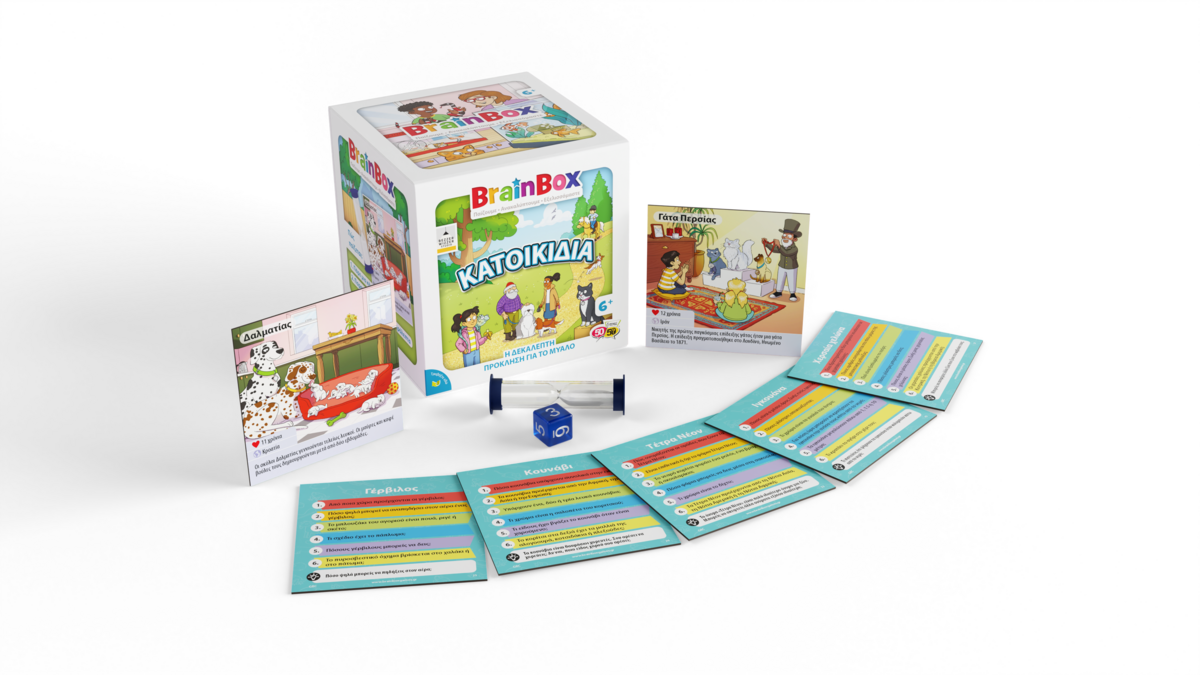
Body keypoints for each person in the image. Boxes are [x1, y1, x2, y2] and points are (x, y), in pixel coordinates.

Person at [763, 218, 804, 302]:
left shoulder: (794, 248)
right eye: (784, 235)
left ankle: (792, 294)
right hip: (782, 266)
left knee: (791, 280)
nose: (785, 238)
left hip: (792, 267)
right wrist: (766, 243)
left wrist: (778, 245)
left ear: (794, 239)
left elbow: (786, 253)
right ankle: (778, 292)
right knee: (780, 279)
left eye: (789, 236)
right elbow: (775, 249)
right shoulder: (782, 247)